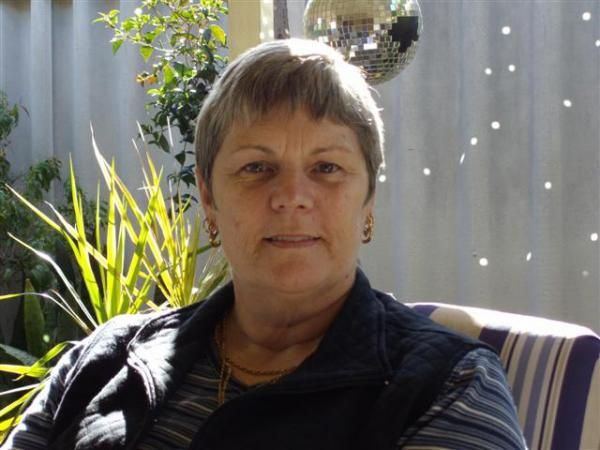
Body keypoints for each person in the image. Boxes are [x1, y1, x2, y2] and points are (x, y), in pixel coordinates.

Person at [1, 38, 527, 450]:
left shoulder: (450, 388)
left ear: (368, 199)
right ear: (209, 198)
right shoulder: (105, 357)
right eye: (257, 167)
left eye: (327, 167)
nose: (292, 197)